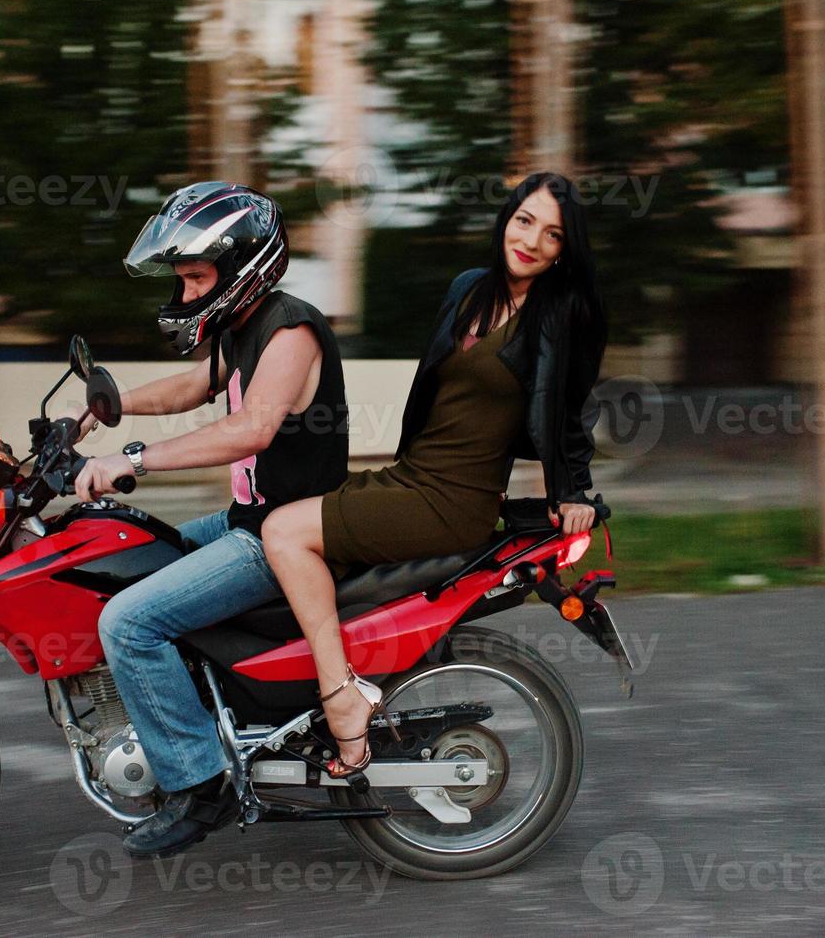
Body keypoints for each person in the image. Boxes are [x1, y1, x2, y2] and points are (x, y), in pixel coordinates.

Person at [260, 172, 607, 777]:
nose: (531, 240)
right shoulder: (468, 290)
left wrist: (571, 490)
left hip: (455, 499)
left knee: (285, 533)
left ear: (563, 250)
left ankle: (341, 699)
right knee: (288, 536)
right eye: (524, 220)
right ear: (506, 218)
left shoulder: (560, 315)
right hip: (412, 476)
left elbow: (567, 409)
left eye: (552, 235)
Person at [67, 181, 348, 858]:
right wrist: (107, 406)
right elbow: (195, 387)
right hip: (246, 521)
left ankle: (201, 784)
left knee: (128, 621)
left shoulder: (292, 330)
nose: (188, 292)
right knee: (117, 554)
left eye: (196, 276)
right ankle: (196, 711)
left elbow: (250, 429)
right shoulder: (240, 330)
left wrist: (135, 457)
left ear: (242, 266)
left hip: (282, 538)